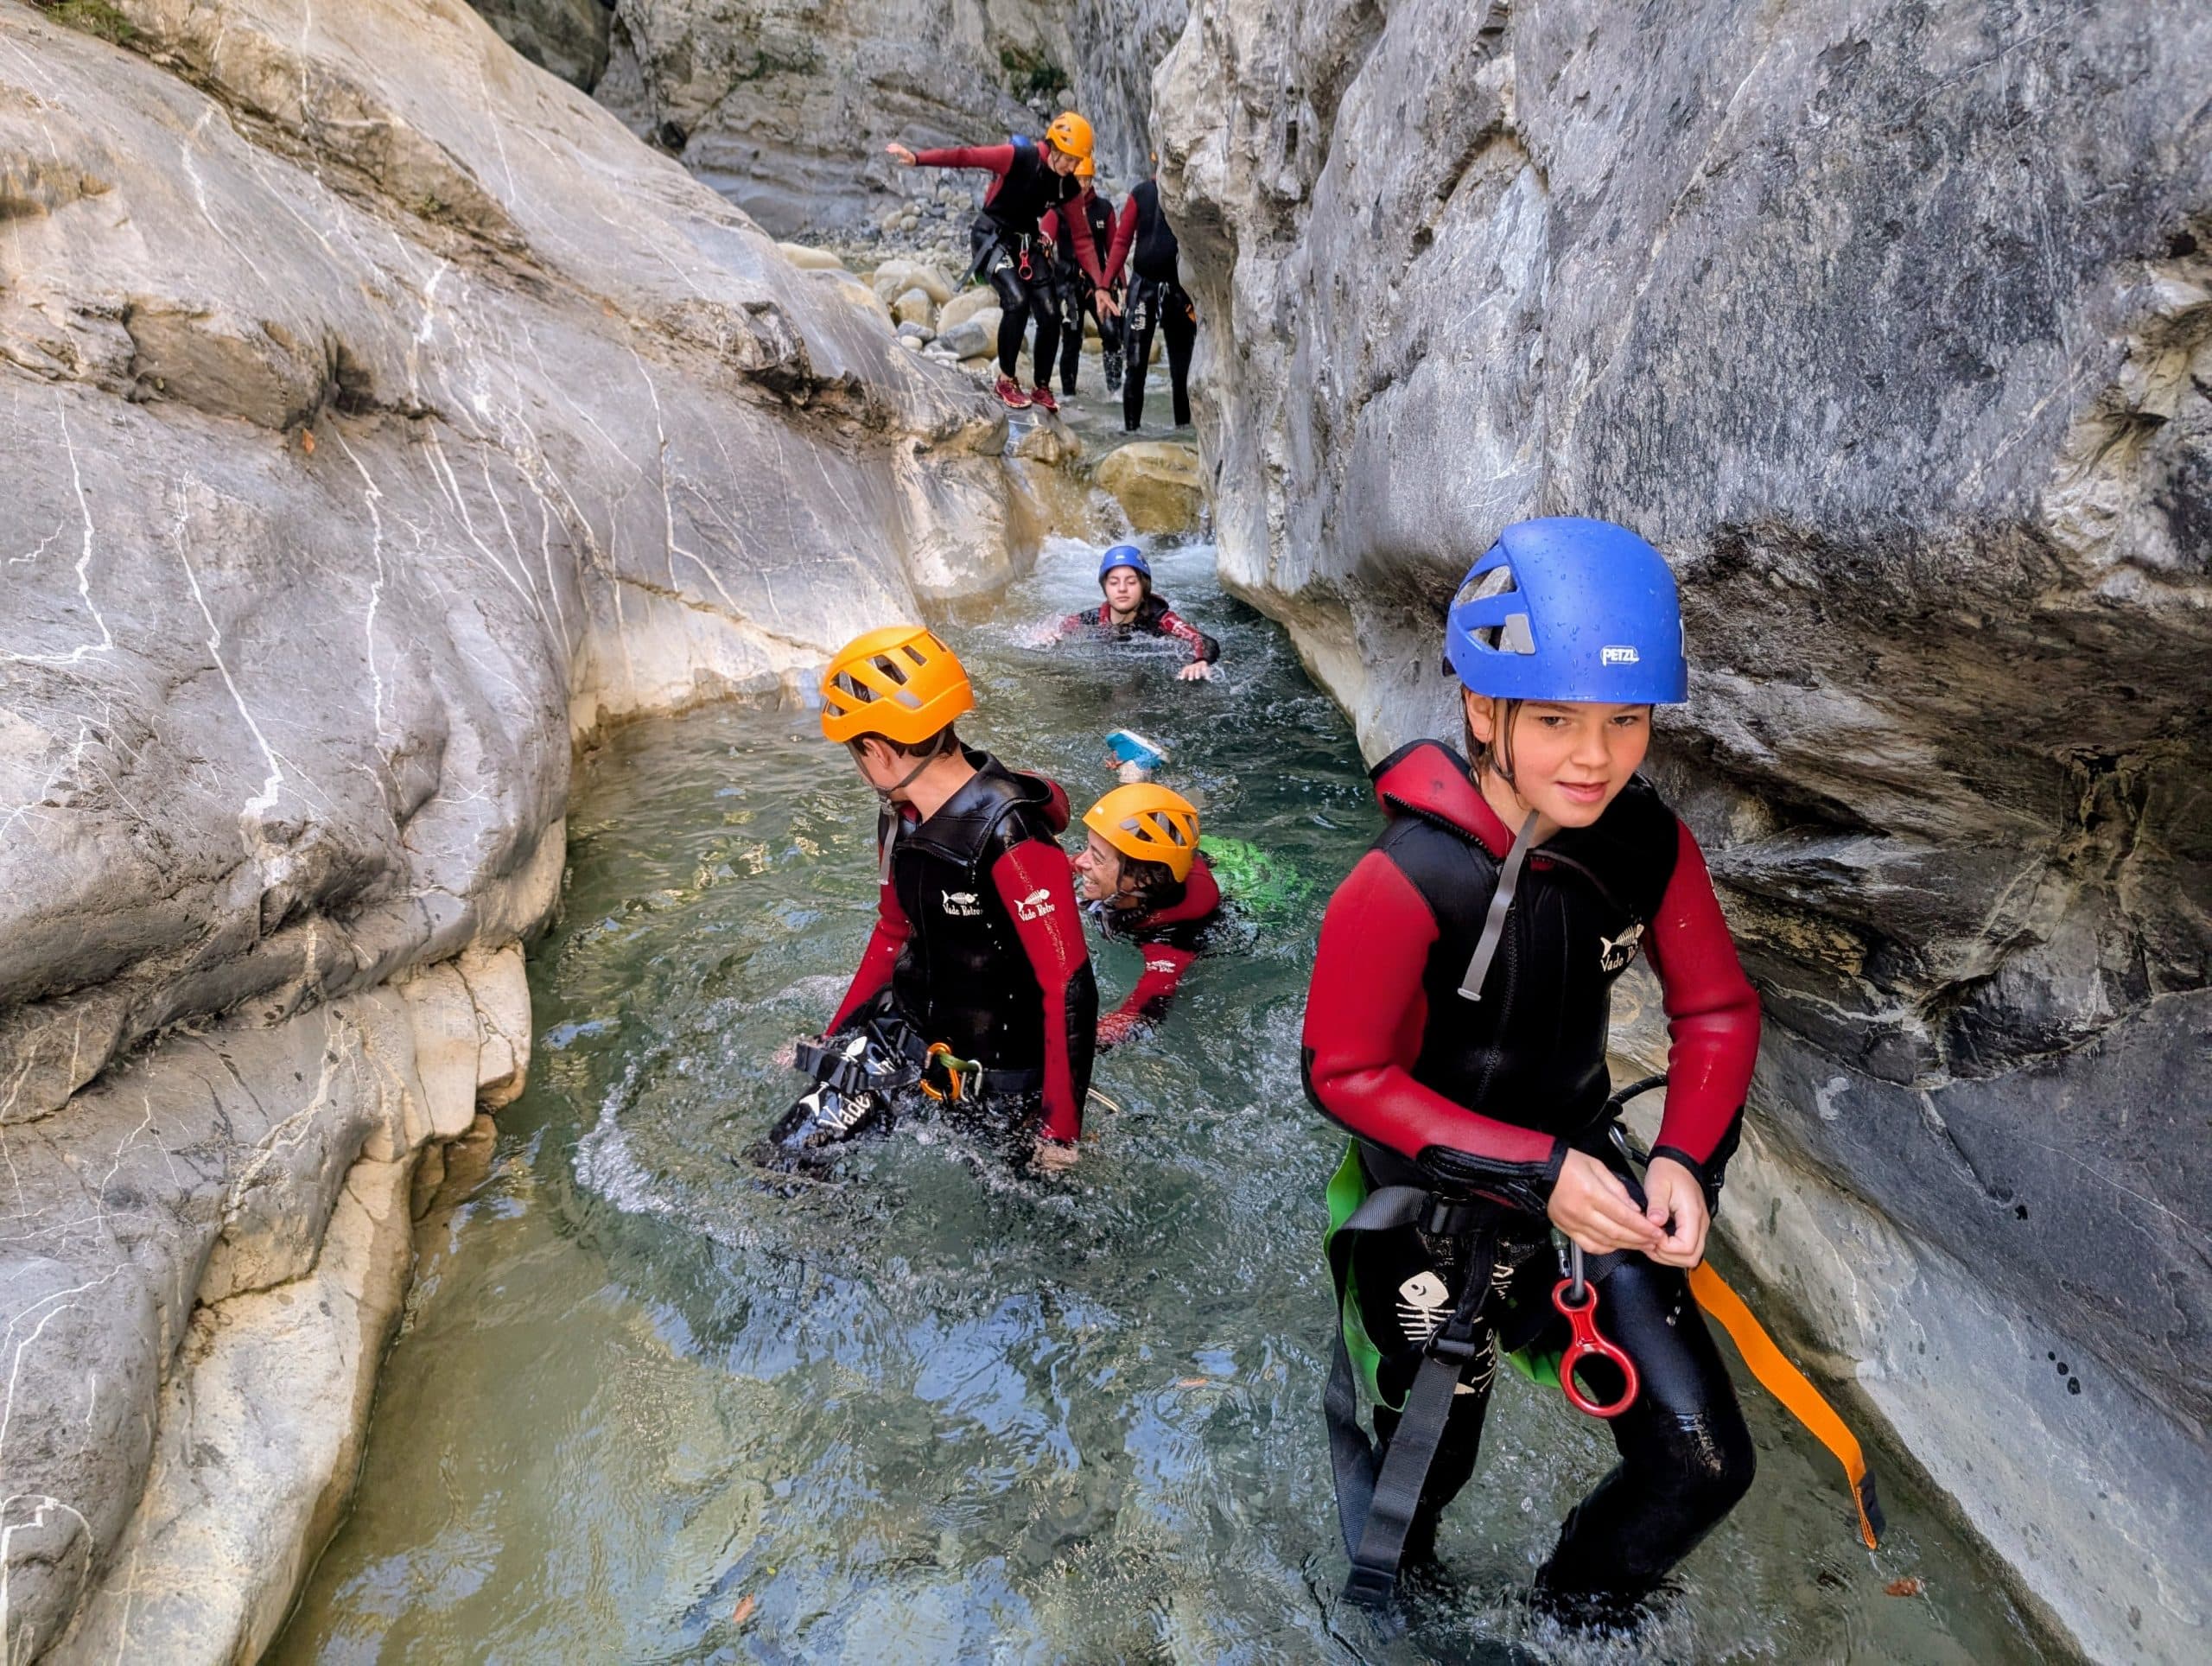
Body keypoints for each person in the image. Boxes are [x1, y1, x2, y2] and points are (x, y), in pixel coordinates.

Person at [1301, 518, 1762, 1613]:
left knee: (1702, 1464)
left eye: (1624, 720)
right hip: (1434, 1210)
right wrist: (1535, 1168)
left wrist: (1688, 1160)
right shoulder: (1404, 876)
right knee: (1416, 1497)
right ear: (1481, 709)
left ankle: (1570, 1615)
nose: (1594, 756)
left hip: (1583, 1188)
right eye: (1553, 718)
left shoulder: (1646, 844)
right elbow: (1342, 1072)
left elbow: (1716, 1009)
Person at [779, 624, 1097, 1172]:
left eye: (856, 755)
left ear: (876, 752)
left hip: (995, 1078)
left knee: (1038, 1226)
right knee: (784, 1165)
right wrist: (831, 1039)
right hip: (899, 1037)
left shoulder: (1011, 835)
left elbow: (1068, 986)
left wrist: (1060, 1130)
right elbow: (891, 934)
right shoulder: (899, 819)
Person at [886, 114, 1118, 413]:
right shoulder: (1019, 157)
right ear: (1056, 146)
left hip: (1025, 242)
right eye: (1070, 160)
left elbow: (1083, 239)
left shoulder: (1067, 187)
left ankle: (1042, 387)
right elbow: (965, 157)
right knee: (1017, 300)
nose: (1072, 168)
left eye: (1077, 162)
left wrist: (1100, 286)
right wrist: (917, 158)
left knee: (1049, 313)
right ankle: (1006, 380)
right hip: (990, 235)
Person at [1071, 784, 1221, 1046]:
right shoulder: (1139, 871)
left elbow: (1137, 1017)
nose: (1081, 862)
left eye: (1096, 857)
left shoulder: (1171, 941)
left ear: (1140, 880)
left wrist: (1061, 1044)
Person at [1104, 159, 1195, 432]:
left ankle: (1183, 429)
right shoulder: (1142, 193)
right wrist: (1105, 283)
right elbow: (1121, 241)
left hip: (1177, 290)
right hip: (1144, 285)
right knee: (1135, 361)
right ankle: (1131, 430)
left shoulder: (1187, 195)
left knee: (1182, 366)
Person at [1057, 544, 1219, 680]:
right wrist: (1049, 633)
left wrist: (1200, 660)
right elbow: (1060, 625)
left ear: (1144, 587)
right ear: (1105, 588)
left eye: (1131, 582)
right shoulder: (1093, 618)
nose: (1122, 589)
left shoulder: (1161, 619)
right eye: (1114, 583)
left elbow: (1201, 639)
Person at [1039, 157, 1125, 396]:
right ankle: (1068, 394)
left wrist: (1122, 285)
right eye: (1079, 179)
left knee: (1111, 333)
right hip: (1068, 285)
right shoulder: (1059, 209)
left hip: (1099, 284)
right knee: (1071, 341)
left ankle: (1115, 391)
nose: (1084, 184)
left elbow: (1114, 249)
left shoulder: (1104, 209)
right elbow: (1045, 236)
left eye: (1087, 179)